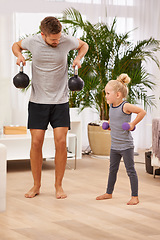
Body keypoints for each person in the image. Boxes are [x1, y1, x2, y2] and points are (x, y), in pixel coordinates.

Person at [12, 16, 88, 199]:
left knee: (61, 143)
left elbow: (83, 45)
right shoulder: (33, 41)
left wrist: (78, 58)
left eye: (59, 38)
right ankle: (36, 185)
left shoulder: (65, 39)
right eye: (53, 39)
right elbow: (16, 45)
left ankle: (58, 186)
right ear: (42, 35)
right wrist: (19, 55)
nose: (57, 41)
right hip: (38, 101)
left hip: (60, 101)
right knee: (36, 142)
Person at [96, 74, 146, 205]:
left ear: (118, 95)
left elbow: (142, 112)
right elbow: (113, 118)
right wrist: (109, 124)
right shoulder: (112, 106)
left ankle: (135, 196)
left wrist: (132, 124)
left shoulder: (125, 106)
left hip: (126, 146)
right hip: (115, 146)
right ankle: (108, 193)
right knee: (112, 170)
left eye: (107, 93)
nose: (106, 96)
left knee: (130, 170)